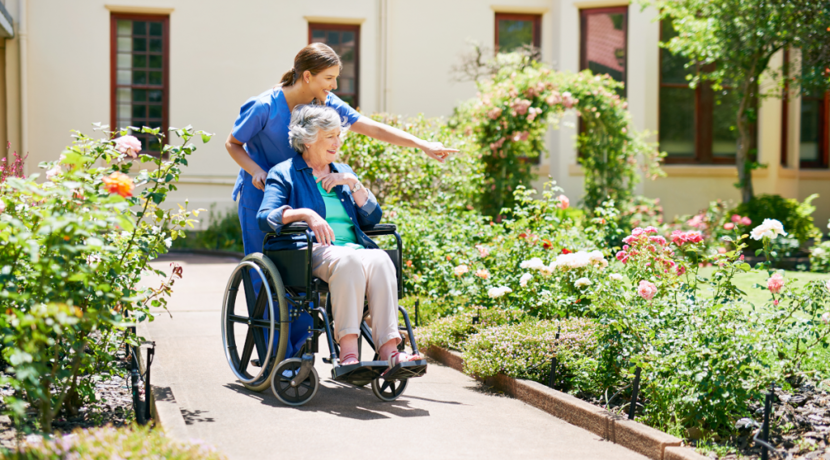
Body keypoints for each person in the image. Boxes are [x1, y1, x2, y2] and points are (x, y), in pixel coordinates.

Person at [227, 43, 457, 256]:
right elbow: (233, 144)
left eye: (336, 78)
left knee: (299, 272)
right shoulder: (263, 106)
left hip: (303, 191)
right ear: (307, 76)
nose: (334, 85)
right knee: (263, 267)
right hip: (262, 191)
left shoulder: (326, 101)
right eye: (329, 78)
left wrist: (422, 144)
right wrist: (256, 171)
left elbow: (373, 129)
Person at [257, 104, 420, 370]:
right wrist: (306, 214)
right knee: (348, 261)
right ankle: (348, 353)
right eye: (330, 136)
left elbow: (372, 218)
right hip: (313, 251)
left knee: (380, 258)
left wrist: (353, 183)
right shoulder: (285, 172)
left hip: (353, 248)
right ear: (308, 140)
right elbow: (265, 217)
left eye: (338, 135)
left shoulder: (342, 170)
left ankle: (390, 351)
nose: (338, 142)